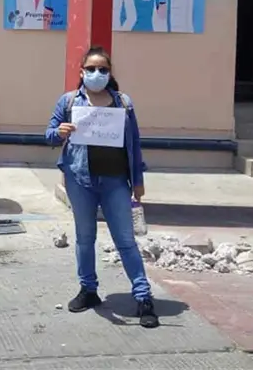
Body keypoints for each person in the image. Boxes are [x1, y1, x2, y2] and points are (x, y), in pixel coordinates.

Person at [44, 46, 159, 328]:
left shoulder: (123, 103)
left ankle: (143, 297)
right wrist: (59, 133)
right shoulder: (69, 101)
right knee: (85, 238)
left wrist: (139, 182)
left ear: (110, 73)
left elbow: (134, 143)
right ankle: (89, 290)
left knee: (126, 241)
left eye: (103, 69)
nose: (97, 74)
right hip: (80, 179)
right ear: (81, 72)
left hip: (116, 182)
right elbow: (48, 134)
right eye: (91, 69)